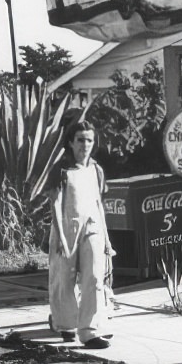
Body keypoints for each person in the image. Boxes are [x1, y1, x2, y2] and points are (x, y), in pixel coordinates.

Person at [48, 120, 114, 349]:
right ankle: (66, 324)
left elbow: (99, 203)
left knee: (95, 277)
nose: (85, 144)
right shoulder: (62, 169)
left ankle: (89, 331)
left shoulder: (96, 170)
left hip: (93, 226)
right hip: (67, 227)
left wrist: (106, 237)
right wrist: (61, 237)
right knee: (64, 278)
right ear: (71, 142)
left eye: (89, 140)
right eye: (80, 140)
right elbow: (55, 204)